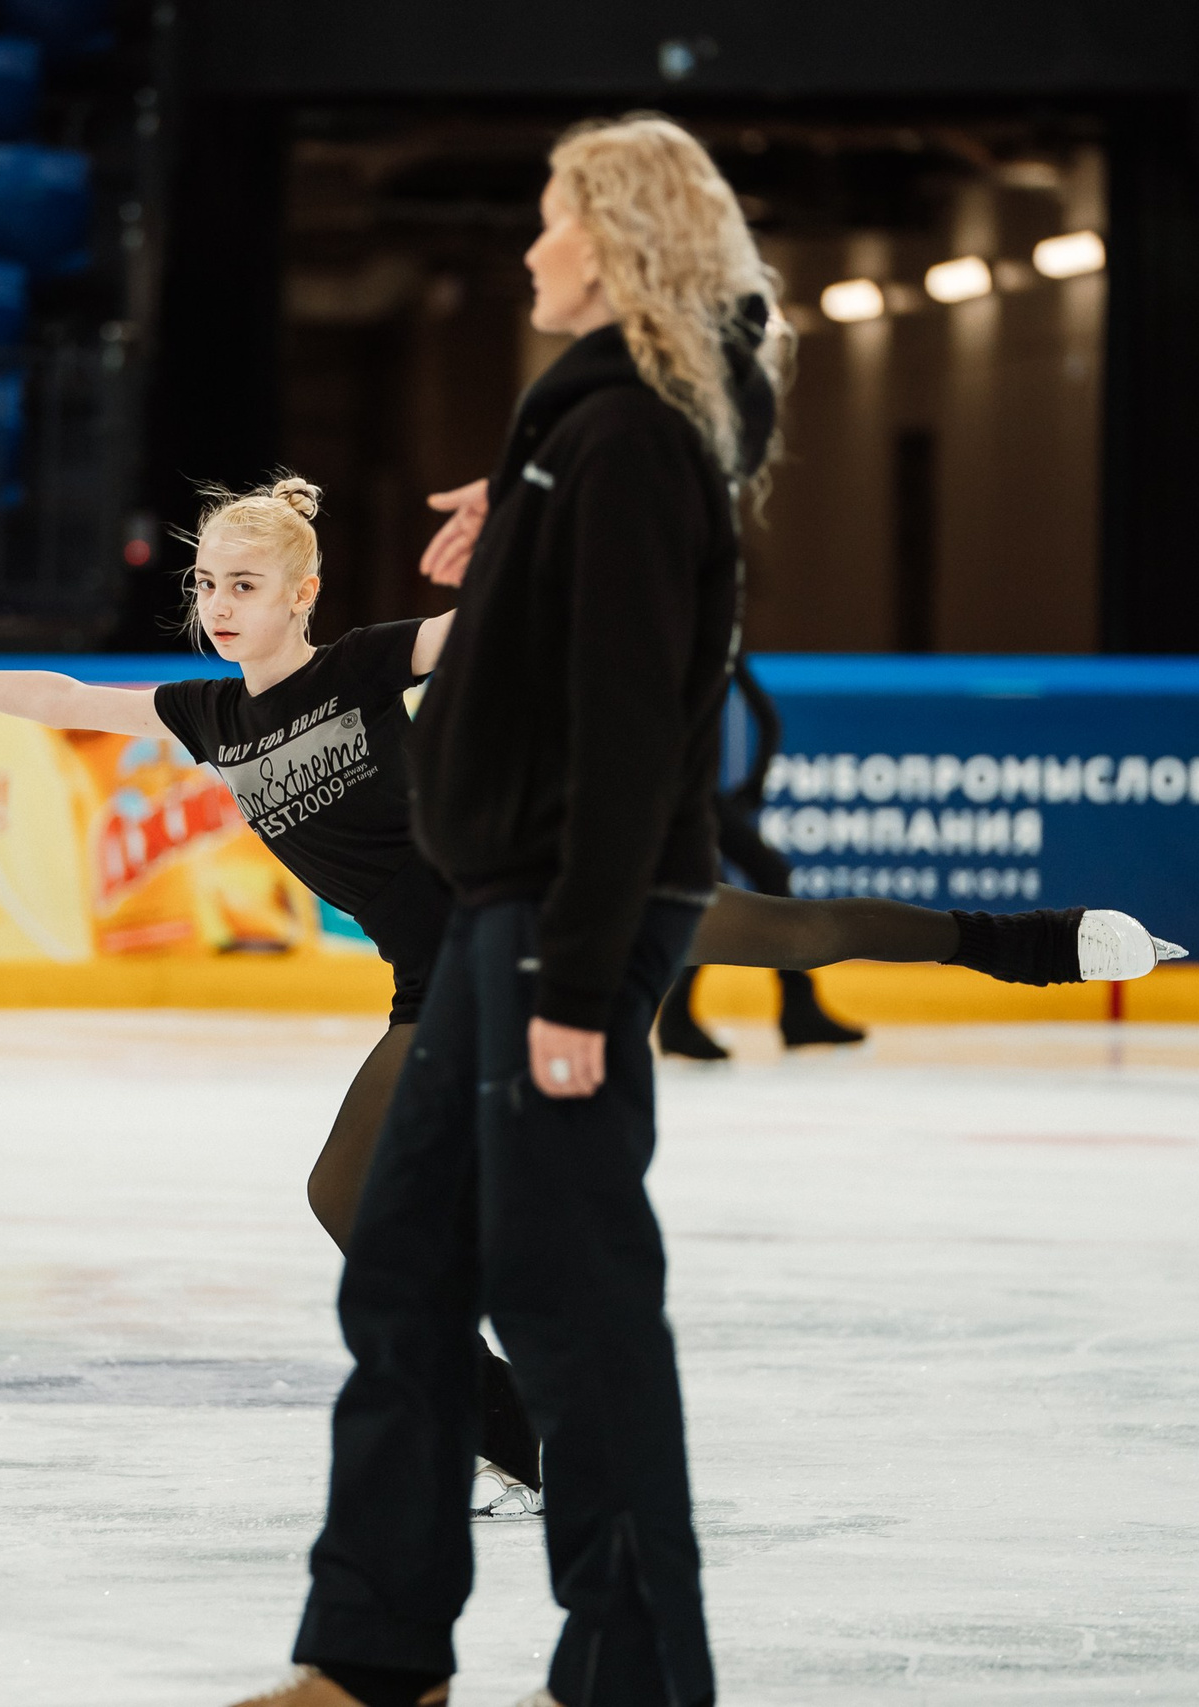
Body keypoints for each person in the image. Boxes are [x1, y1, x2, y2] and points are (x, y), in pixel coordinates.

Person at [0, 476, 1180, 1520]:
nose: (221, 602)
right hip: (437, 982)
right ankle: (526, 1437)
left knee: (784, 927)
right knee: (345, 1203)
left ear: (302, 589)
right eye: (206, 583)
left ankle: (1034, 941)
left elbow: (502, 623)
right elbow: (60, 690)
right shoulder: (203, 715)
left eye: (247, 581)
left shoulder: (361, 663)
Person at [251, 115, 775, 1707]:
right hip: (498, 915)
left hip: (549, 925)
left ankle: (632, 1664)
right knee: (400, 1267)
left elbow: (626, 731)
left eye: (554, 221)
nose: (530, 247)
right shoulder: (601, 425)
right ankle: (373, 1652)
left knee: (571, 1295)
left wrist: (571, 973)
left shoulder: (627, 434)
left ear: (615, 243)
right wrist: (523, 520)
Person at [657, 654, 867, 1058]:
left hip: (680, 790)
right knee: (728, 881)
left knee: (733, 882)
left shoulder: (679, 627)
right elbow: (768, 720)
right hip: (688, 793)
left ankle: (789, 1009)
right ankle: (686, 1018)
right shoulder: (715, 625)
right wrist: (753, 786)